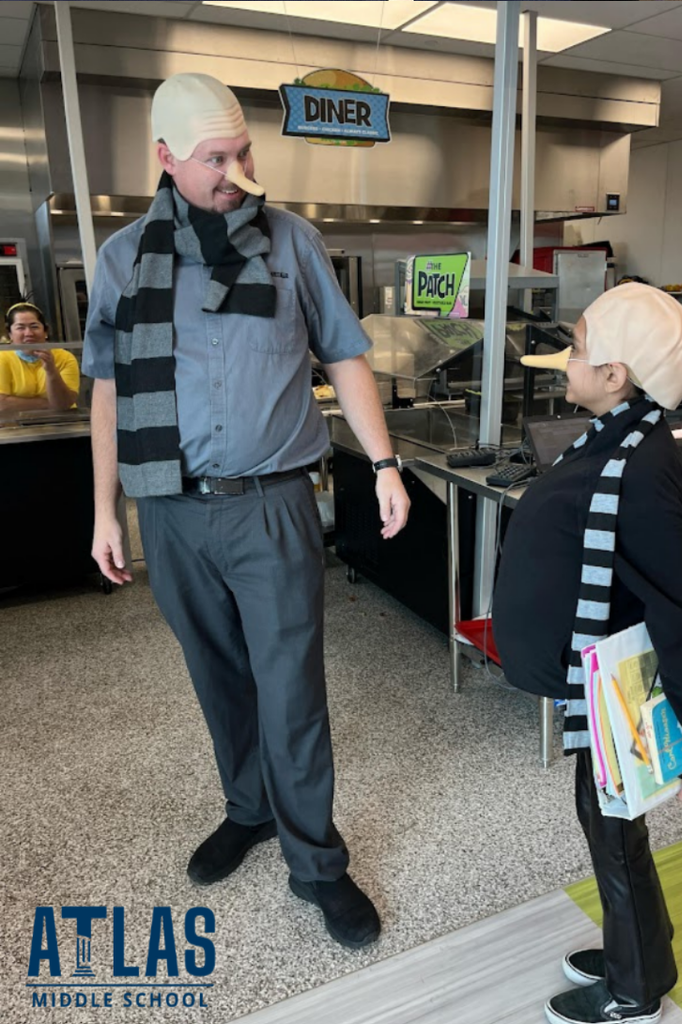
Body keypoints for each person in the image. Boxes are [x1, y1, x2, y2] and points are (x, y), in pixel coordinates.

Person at [82, 73, 411, 950]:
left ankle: (318, 865)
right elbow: (108, 394)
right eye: (213, 158)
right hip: (170, 514)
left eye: (243, 152)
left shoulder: (291, 241)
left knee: (292, 691)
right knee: (218, 678)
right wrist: (104, 510)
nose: (235, 171)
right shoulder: (121, 260)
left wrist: (383, 462)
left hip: (273, 506)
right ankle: (249, 809)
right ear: (164, 158)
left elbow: (344, 357)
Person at [493, 284, 682, 1024]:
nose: (565, 362)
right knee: (607, 823)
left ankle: (635, 989)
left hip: (613, 692)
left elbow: (678, 612)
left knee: (611, 829)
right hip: (593, 679)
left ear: (616, 375)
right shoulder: (616, 433)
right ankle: (643, 949)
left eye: (578, 350)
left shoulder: (638, 471)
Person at [0, 303, 79, 414]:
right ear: (10, 334)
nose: (29, 333)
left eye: (34, 326)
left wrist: (51, 371)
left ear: (45, 331)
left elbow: (64, 404)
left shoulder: (64, 357)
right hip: (14, 427)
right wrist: (48, 404)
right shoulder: (2, 358)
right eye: (20, 328)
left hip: (61, 423)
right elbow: (2, 405)